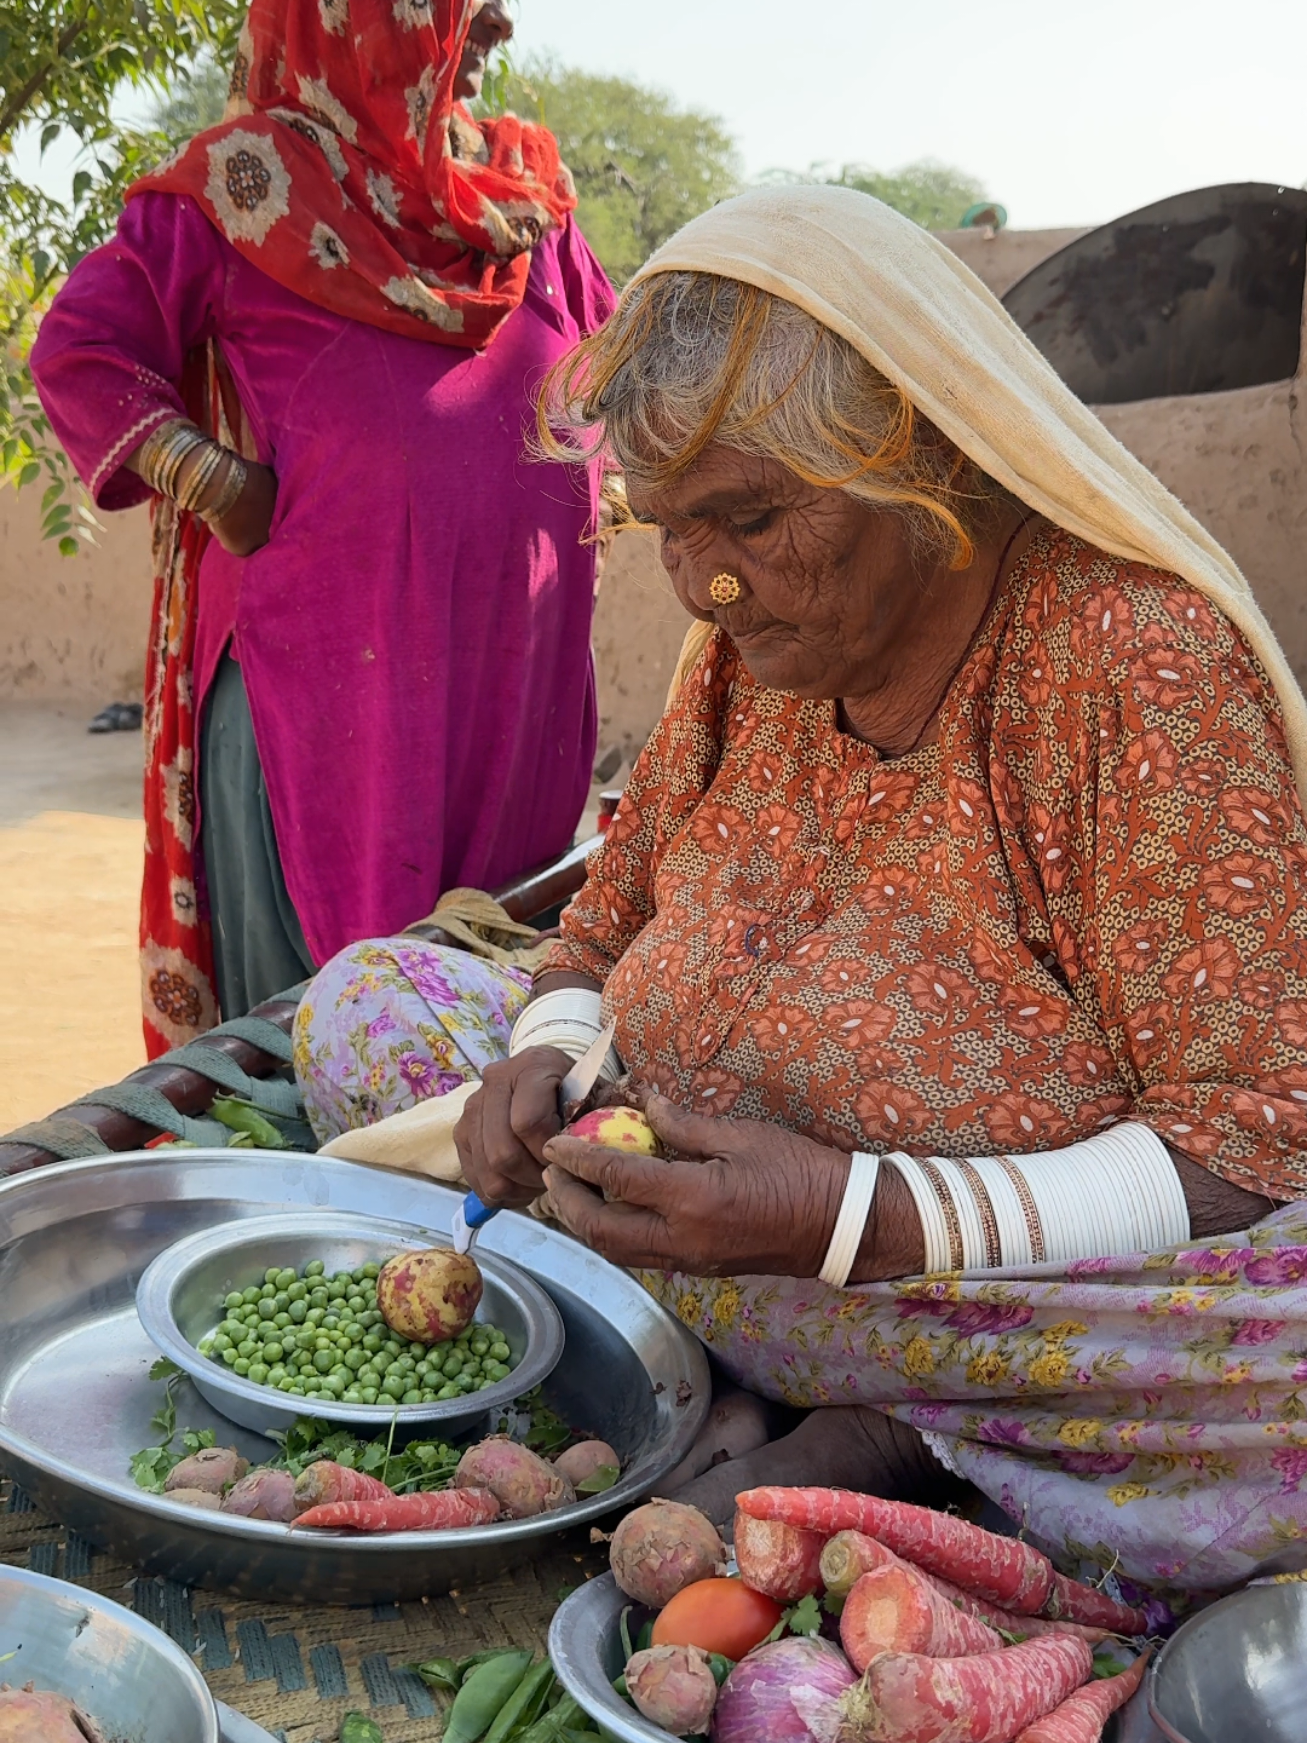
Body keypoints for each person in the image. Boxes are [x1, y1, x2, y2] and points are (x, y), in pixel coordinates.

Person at [293, 186, 1307, 1598]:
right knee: (367, 1004)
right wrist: (546, 1054)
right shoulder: (746, 655)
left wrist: (846, 1217)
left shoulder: (1132, 661)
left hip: (943, 1285)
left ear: (929, 457)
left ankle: (892, 1423)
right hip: (679, 1212)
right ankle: (812, 1380)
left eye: (752, 517)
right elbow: (599, 922)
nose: (703, 582)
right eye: (666, 526)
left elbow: (1244, 1143)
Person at [31, 0, 614, 1055]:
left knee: (497, 1011)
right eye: (460, 7)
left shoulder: (526, 195)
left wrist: (618, 471)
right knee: (326, 1040)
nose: (499, 28)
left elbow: (615, 362)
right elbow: (82, 352)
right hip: (330, 700)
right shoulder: (244, 184)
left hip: (510, 682)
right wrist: (209, 478)